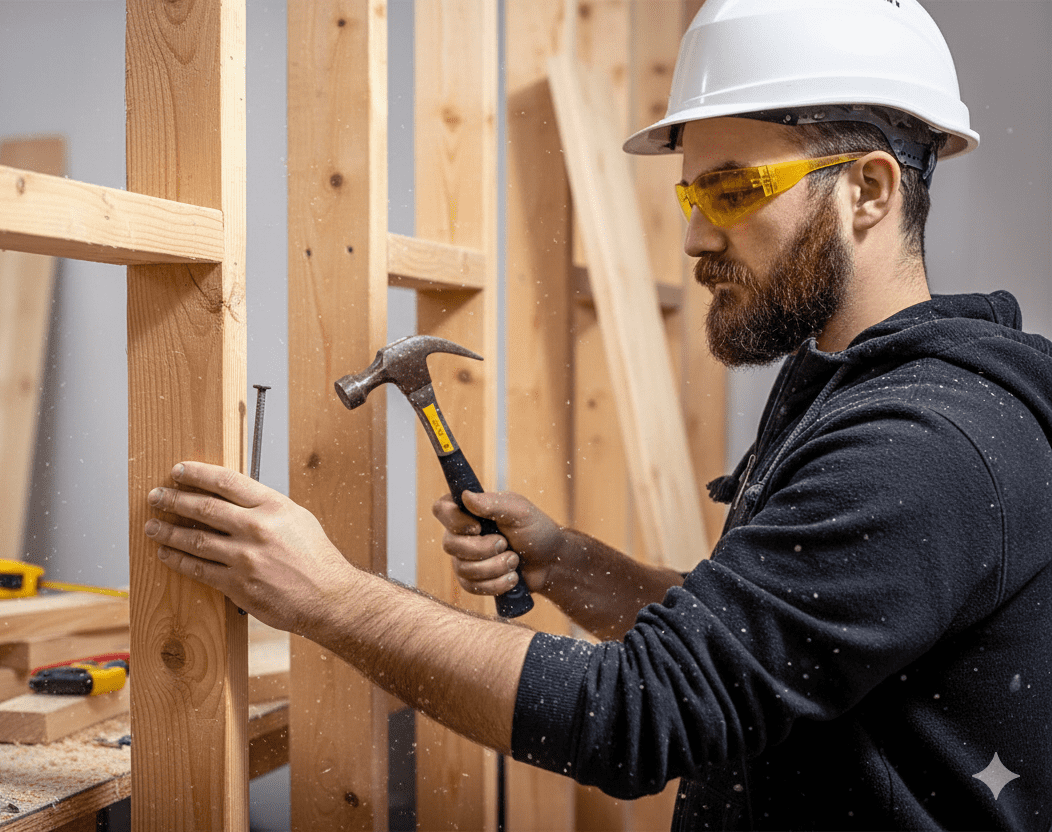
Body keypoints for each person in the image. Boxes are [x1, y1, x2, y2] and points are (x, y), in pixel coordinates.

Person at [142, 0, 1052, 828]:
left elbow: (639, 715)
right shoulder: (853, 391)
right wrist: (572, 563)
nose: (695, 233)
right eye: (691, 195)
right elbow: (757, 654)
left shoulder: (925, 443)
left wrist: (328, 597)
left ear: (870, 190)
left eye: (733, 190)